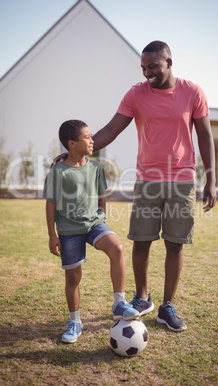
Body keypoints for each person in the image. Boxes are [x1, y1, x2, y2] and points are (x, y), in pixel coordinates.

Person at [91, 41, 217, 332]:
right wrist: (80, 150)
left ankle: (167, 306)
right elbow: (111, 129)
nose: (147, 73)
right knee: (141, 241)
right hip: (147, 181)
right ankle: (142, 298)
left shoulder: (193, 92)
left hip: (182, 182)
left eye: (153, 67)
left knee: (175, 245)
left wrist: (211, 179)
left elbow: (205, 136)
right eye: (144, 68)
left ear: (169, 63)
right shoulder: (136, 94)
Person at [43, 119, 140, 344]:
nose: (92, 140)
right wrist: (52, 234)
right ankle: (75, 321)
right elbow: (50, 203)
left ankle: (119, 303)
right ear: (72, 143)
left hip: (94, 223)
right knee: (73, 277)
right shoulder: (58, 171)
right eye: (87, 137)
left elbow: (101, 195)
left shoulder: (97, 167)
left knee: (117, 247)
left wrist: (102, 217)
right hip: (69, 230)